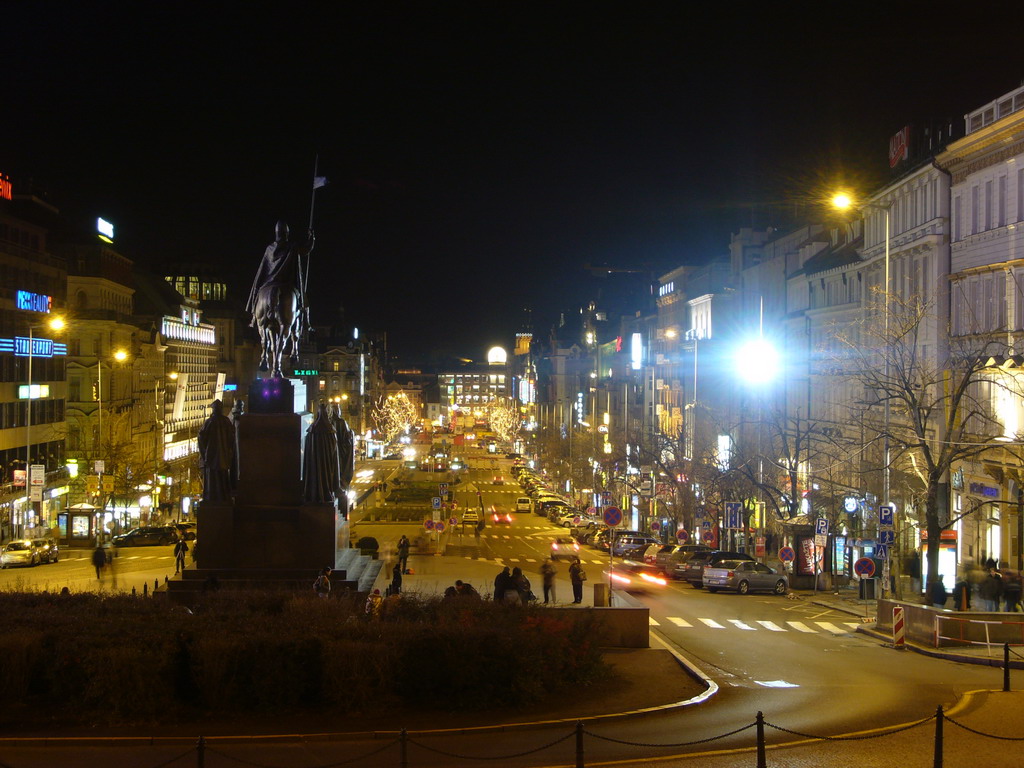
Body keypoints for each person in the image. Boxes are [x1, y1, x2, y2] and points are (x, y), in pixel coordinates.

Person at [197, 399, 237, 503]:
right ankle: (223, 497)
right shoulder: (226, 421)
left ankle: (212, 497)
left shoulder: (209, 422)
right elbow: (232, 437)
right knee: (223, 476)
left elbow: (201, 437)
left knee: (212, 477)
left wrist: (204, 452)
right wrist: (229, 450)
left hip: (211, 455)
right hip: (223, 455)